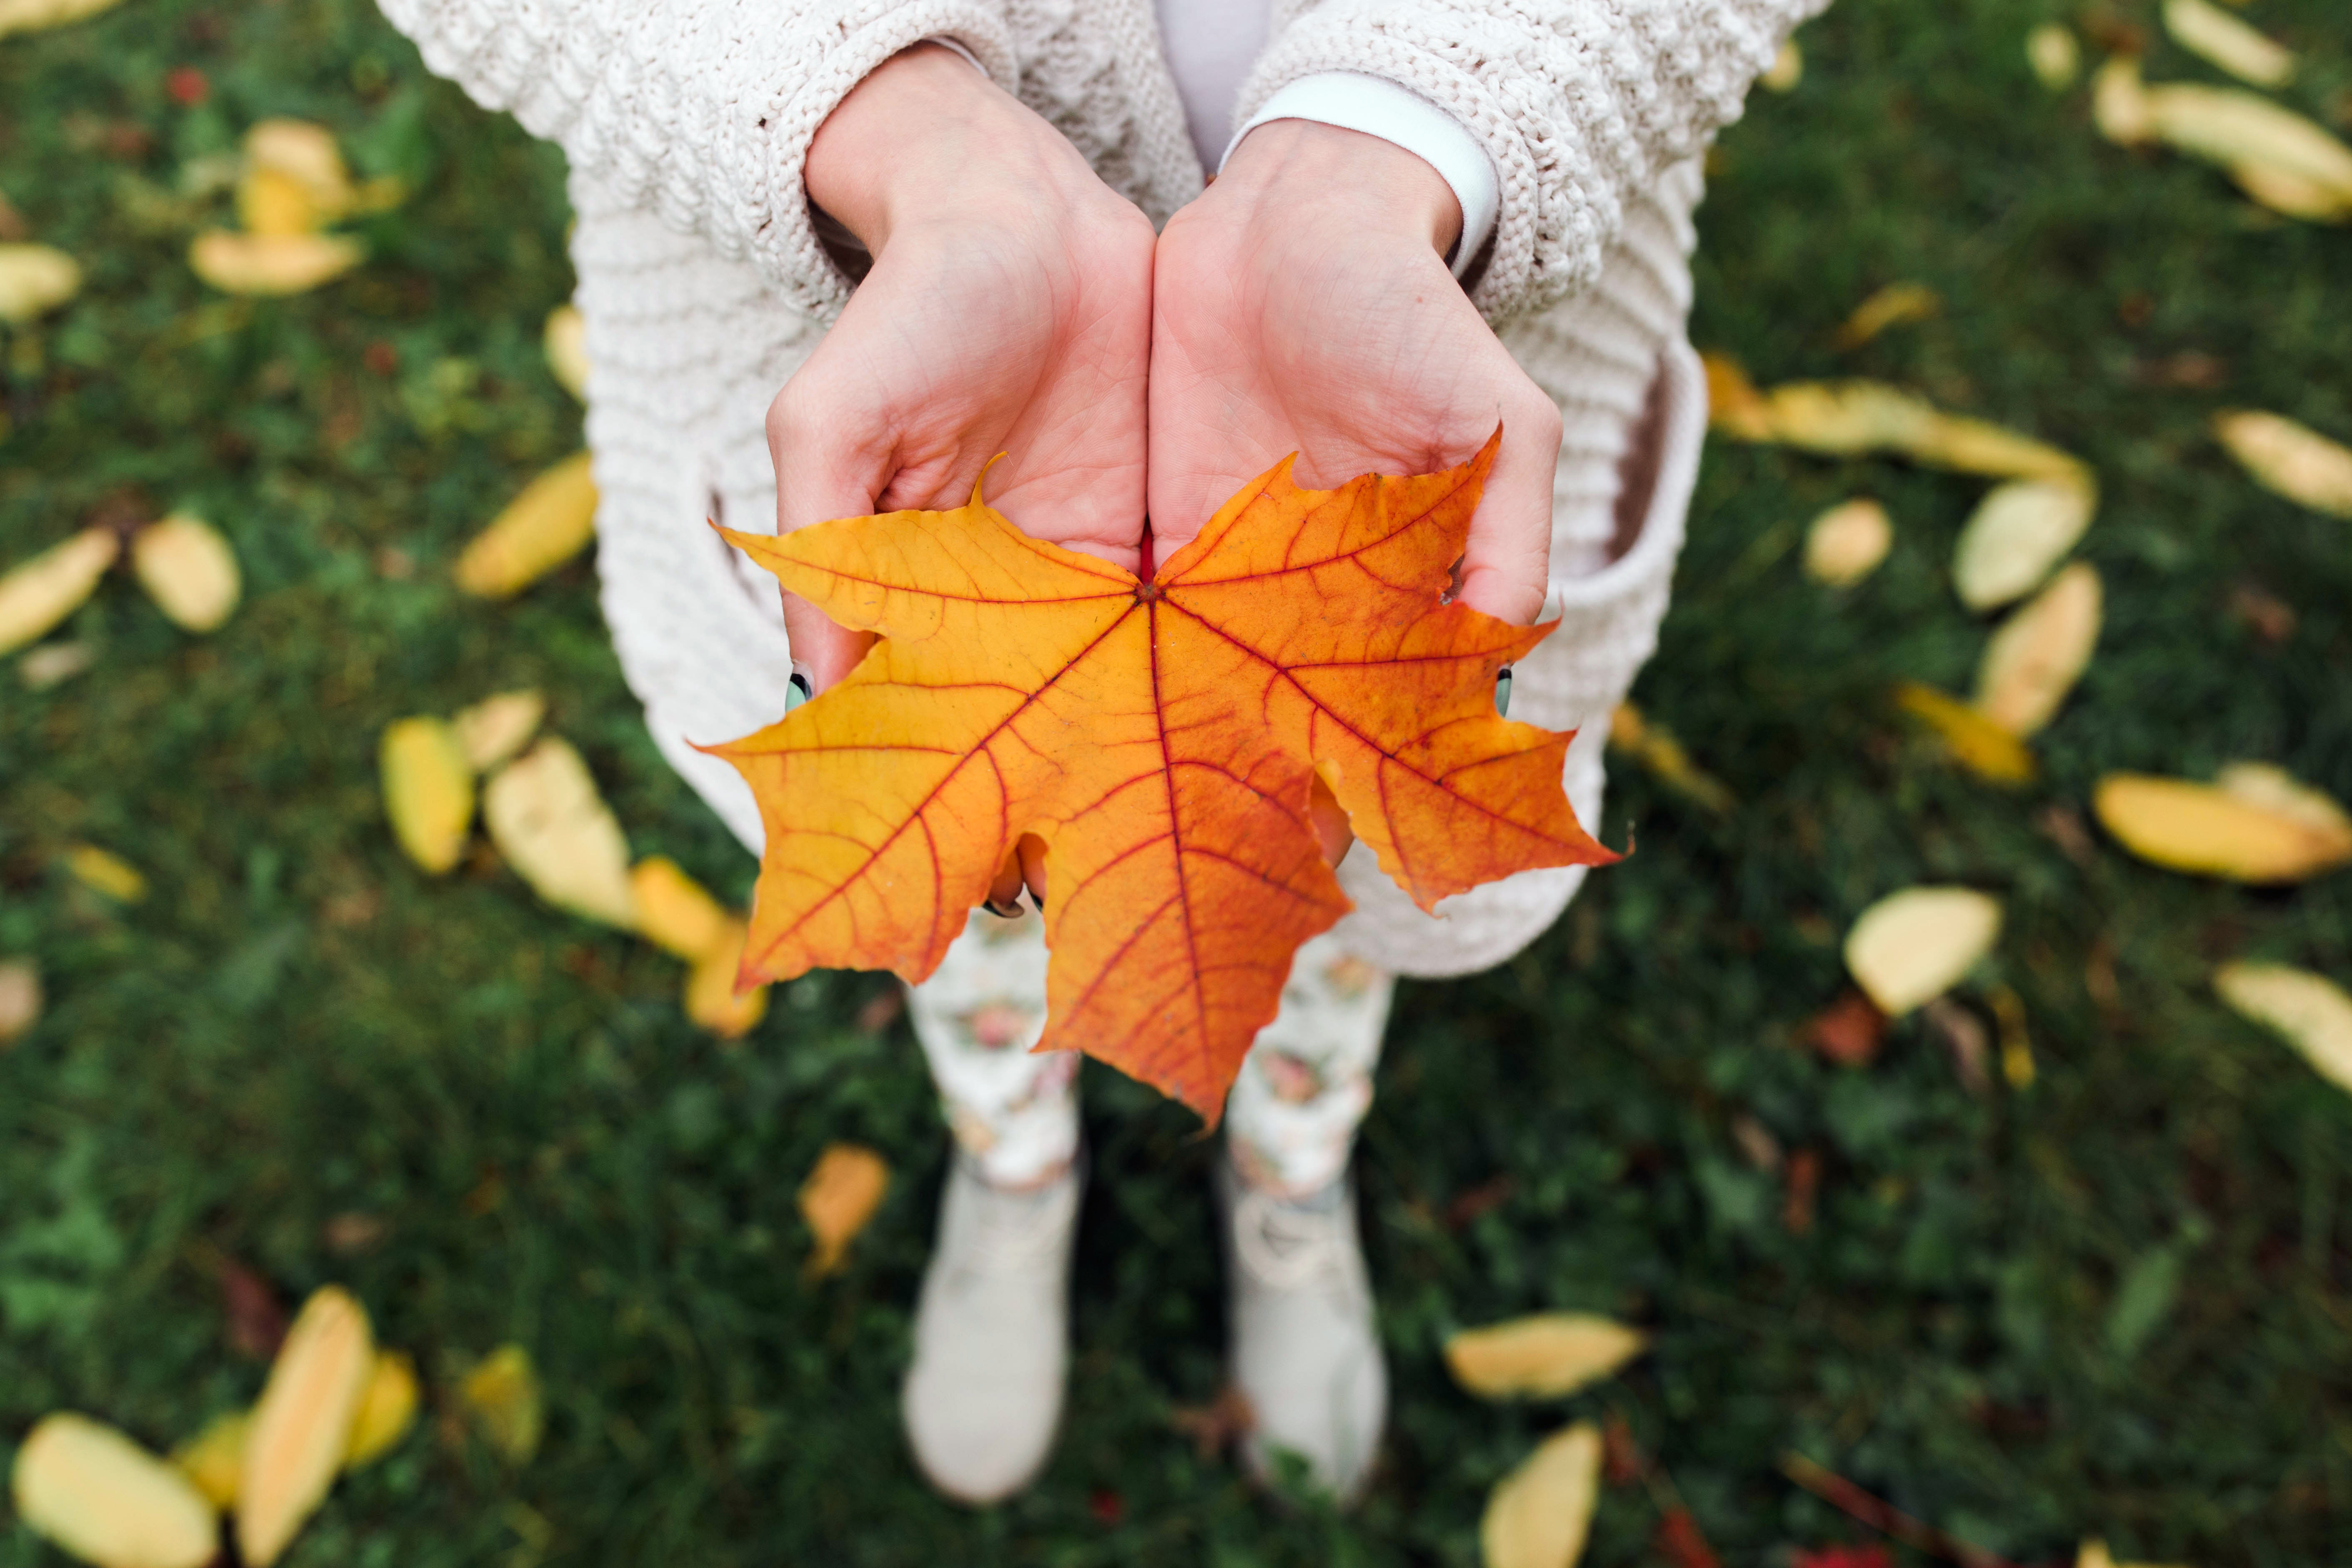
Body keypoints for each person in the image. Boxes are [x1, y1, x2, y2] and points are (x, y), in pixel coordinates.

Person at [378, 0, 1823, 1508]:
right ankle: (1017, 1164)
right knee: (966, 903)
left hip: (1414, 347)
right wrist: (893, 133)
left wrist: (1399, 140)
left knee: (1338, 901)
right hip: (896, 393)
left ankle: (1287, 1166)